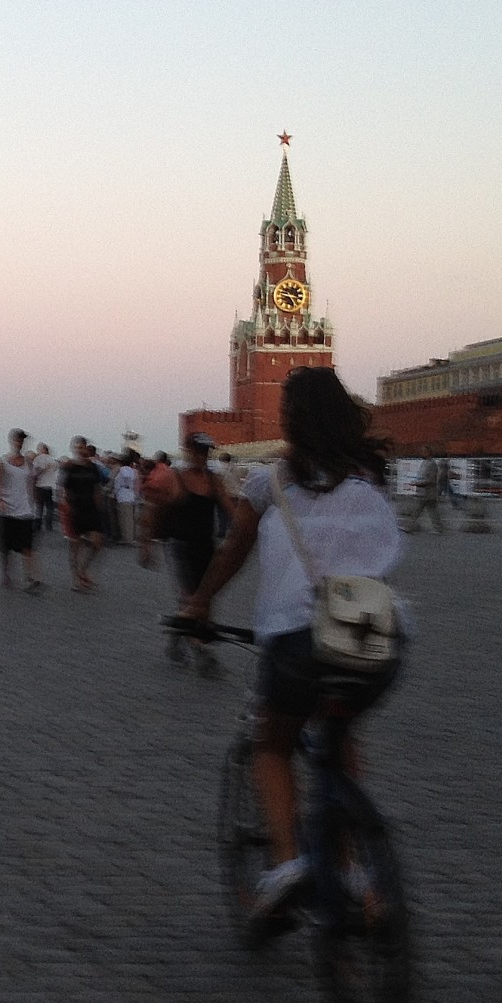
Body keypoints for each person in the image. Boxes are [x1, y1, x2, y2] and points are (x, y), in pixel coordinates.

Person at [180, 366, 404, 919]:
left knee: (273, 744)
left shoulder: (271, 482)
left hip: (299, 641)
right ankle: (358, 879)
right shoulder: (370, 476)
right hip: (376, 639)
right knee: (341, 736)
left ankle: (287, 865)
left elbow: (233, 551)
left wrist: (200, 603)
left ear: (292, 421)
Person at [164, 434, 234, 668]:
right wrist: (147, 540)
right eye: (198, 451)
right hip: (182, 546)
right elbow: (158, 509)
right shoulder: (177, 478)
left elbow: (231, 510)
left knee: (204, 600)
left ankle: (178, 634)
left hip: (206, 546)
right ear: (188, 451)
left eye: (206, 452)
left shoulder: (214, 481)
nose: (202, 457)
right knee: (191, 597)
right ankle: (200, 648)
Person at [0, 428, 43, 591]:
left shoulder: (28, 463)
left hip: (25, 510)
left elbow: (31, 482)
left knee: (27, 545)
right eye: (17, 440)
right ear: (11, 441)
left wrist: (34, 501)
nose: (20, 443)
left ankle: (30, 578)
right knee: (6, 548)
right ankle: (6, 573)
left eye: (22, 440)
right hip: (6, 510)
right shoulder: (2, 461)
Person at [59, 438, 107, 592]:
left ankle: (82, 571)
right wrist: (66, 507)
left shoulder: (93, 467)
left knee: (97, 543)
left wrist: (100, 508)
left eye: (82, 447)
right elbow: (62, 489)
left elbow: (97, 488)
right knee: (75, 546)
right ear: (73, 448)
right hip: (75, 509)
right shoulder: (69, 467)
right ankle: (76, 580)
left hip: (91, 509)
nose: (80, 449)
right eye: (77, 447)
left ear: (86, 448)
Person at [405, 448, 447, 534]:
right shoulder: (425, 463)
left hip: (427, 492)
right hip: (424, 492)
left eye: (424, 452)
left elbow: (430, 480)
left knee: (418, 510)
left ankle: (409, 527)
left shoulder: (431, 464)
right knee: (431, 511)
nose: (421, 453)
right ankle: (438, 528)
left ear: (428, 453)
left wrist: (416, 483)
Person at [113, 451, 140, 546]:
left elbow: (117, 483)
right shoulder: (132, 471)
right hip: (130, 495)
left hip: (122, 495)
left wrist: (114, 493)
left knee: (124, 519)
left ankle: (127, 538)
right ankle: (131, 537)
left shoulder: (121, 471)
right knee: (130, 519)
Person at [31, 444, 58, 530]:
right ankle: (48, 524)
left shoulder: (38, 459)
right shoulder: (52, 460)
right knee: (49, 506)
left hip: (40, 485)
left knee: (39, 506)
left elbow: (34, 472)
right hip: (50, 486)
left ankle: (38, 524)